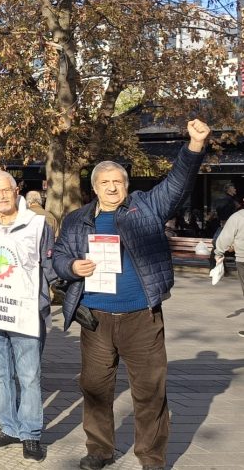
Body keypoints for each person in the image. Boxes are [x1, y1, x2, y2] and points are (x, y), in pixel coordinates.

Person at [53, 119, 210, 470]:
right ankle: (99, 450)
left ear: (126, 185)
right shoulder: (77, 219)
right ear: (94, 188)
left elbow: (177, 183)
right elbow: (60, 257)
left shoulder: (145, 208)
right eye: (105, 183)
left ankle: (151, 458)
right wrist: (72, 267)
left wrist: (195, 144)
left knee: (150, 392)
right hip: (95, 317)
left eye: (118, 181)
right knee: (95, 387)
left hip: (142, 317)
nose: (112, 188)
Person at [0, 171, 56, 463]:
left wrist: (44, 300)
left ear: (16, 190)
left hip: (25, 312)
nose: (3, 196)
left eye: (7, 190)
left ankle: (31, 434)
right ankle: (8, 427)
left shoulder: (37, 224)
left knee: (29, 376)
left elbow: (49, 264)